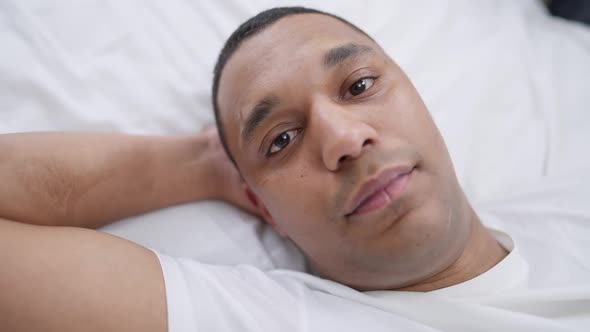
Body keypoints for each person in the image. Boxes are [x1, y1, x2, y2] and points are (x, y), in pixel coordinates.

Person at [1, 6, 588, 332]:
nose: (343, 138)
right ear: (261, 205)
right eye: (281, 139)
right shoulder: (274, 319)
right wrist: (205, 162)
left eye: (359, 86)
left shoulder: (573, 199)